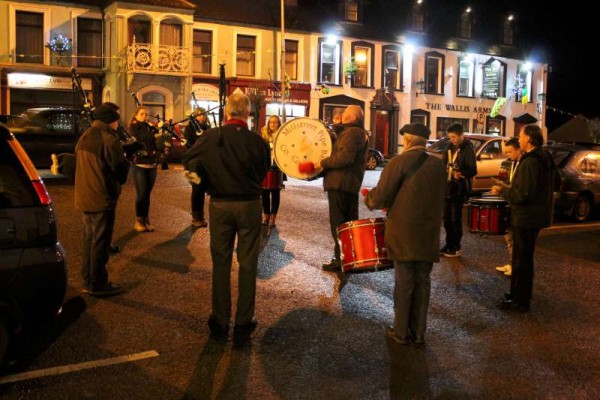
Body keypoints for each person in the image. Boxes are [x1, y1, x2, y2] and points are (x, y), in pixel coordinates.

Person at [182, 93, 270, 342]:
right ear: (247, 114)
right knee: (248, 263)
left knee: (221, 263)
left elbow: (188, 161)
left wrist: (199, 184)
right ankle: (244, 322)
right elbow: (265, 170)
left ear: (226, 113)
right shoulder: (258, 142)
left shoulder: (210, 137)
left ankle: (220, 321)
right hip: (250, 203)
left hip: (220, 204)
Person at [364, 123, 446, 345]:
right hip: (428, 232)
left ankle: (400, 332)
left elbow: (381, 196)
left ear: (408, 140)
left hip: (403, 232)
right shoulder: (439, 166)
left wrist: (369, 199)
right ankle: (418, 333)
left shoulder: (399, 162)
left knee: (405, 282)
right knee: (423, 282)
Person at [492, 124, 556, 312]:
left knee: (521, 260)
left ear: (528, 138)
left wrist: (503, 190)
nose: (518, 139)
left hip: (526, 217)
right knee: (523, 258)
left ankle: (520, 301)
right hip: (535, 216)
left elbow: (523, 194)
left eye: (520, 136)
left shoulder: (530, 161)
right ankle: (517, 294)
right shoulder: (545, 157)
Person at [74, 103, 130, 297]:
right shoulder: (109, 139)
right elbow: (120, 173)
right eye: (116, 120)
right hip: (101, 197)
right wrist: (127, 157)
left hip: (84, 195)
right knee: (101, 242)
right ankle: (97, 283)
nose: (118, 124)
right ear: (111, 121)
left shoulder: (86, 136)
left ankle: (88, 279)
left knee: (89, 240)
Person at [315, 105, 369, 271]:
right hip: (346, 185)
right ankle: (348, 258)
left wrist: (322, 163)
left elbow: (344, 158)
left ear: (352, 117)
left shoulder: (353, 133)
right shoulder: (355, 132)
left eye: (345, 113)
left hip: (341, 185)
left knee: (339, 225)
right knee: (347, 225)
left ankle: (341, 260)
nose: (342, 114)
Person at [440, 123, 477, 257]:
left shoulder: (467, 149)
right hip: (447, 187)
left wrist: (461, 173)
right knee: (446, 218)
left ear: (461, 135)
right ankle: (448, 244)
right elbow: (444, 163)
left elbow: (472, 170)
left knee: (456, 218)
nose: (452, 139)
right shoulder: (450, 147)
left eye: (454, 137)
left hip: (458, 188)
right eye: (450, 137)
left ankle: (456, 246)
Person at [129, 106, 165, 232]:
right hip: (140, 164)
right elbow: (136, 143)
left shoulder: (150, 127)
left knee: (147, 195)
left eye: (146, 114)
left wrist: (160, 133)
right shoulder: (134, 127)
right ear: (136, 115)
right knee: (142, 194)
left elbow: (157, 142)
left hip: (151, 164)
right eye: (142, 114)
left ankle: (146, 219)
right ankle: (139, 220)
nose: (145, 116)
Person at [494, 137, 523, 277]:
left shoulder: (523, 164)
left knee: (514, 239)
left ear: (519, 149)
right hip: (509, 203)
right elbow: (505, 180)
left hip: (517, 206)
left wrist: (503, 190)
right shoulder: (510, 163)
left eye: (510, 151)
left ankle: (515, 266)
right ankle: (511, 263)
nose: (508, 155)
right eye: (506, 152)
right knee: (509, 237)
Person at [184, 107, 211, 228]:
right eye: (199, 115)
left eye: (203, 115)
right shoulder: (190, 128)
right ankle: (196, 216)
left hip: (205, 162)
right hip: (194, 162)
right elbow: (189, 145)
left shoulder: (207, 128)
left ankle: (201, 215)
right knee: (196, 189)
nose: (202, 117)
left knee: (202, 189)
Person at [260, 115, 284, 227]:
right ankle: (266, 216)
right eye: (271, 122)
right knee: (264, 193)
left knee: (275, 193)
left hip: (277, 166)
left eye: (275, 122)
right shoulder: (264, 134)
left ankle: (273, 217)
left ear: (279, 124)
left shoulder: (282, 135)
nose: (273, 124)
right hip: (265, 166)